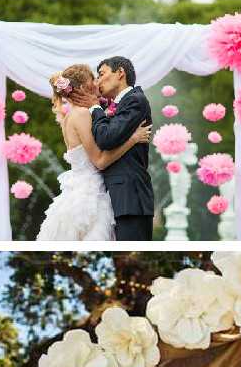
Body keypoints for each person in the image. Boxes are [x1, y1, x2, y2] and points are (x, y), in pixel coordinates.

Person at [37, 64, 151, 240]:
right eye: (94, 79)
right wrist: (133, 139)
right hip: (90, 194)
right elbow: (99, 161)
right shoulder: (81, 115)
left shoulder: (70, 116)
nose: (97, 82)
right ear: (83, 87)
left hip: (80, 187)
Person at [69, 56, 155, 240]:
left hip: (130, 198)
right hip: (115, 198)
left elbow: (106, 138)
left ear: (120, 73)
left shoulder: (135, 100)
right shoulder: (114, 106)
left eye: (101, 74)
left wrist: (94, 107)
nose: (98, 81)